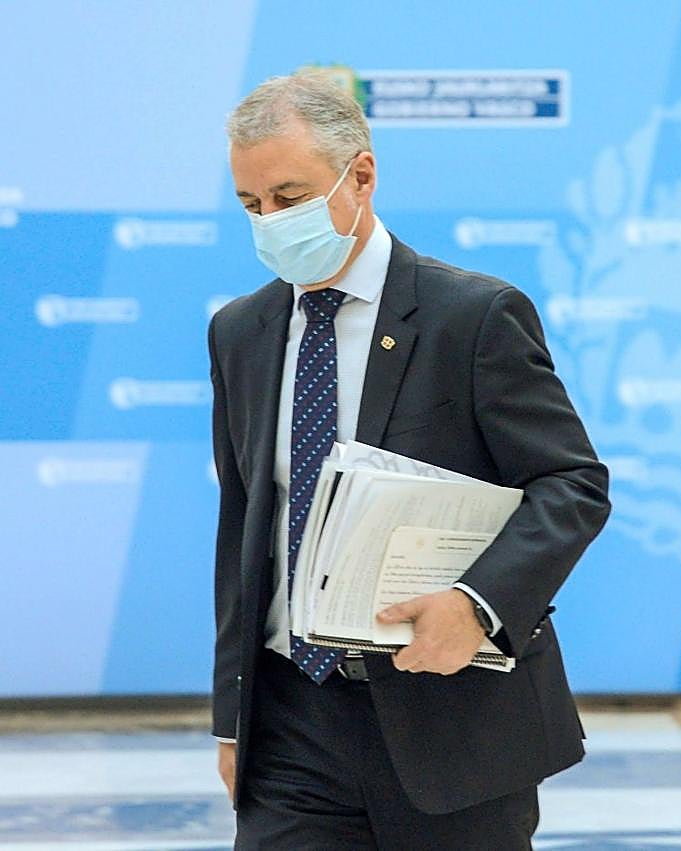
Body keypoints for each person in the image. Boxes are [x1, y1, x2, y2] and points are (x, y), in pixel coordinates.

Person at [208, 72, 610, 850]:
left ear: (361, 174)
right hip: (292, 723)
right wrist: (233, 719)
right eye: (252, 206)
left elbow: (572, 485)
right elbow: (243, 531)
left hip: (450, 722)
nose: (270, 222)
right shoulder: (240, 333)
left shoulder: (474, 316)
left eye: (290, 197)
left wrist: (476, 601)